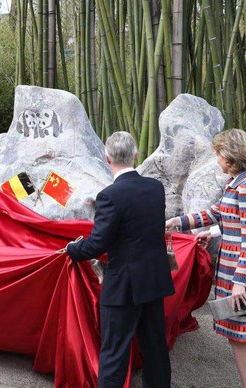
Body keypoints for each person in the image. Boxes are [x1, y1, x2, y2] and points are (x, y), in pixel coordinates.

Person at [66, 131, 174, 388]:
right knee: (156, 350)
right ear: (136, 156)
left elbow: (98, 243)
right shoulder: (156, 188)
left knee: (114, 353)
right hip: (154, 281)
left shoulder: (110, 196)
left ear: (107, 158)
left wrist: (73, 249)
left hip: (123, 286)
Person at [166, 129, 246, 388]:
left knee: (241, 336)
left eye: (219, 155)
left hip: (241, 276)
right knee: (239, 336)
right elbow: (215, 213)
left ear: (230, 157)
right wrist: (178, 223)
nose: (217, 160)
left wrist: (240, 282)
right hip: (234, 272)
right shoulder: (237, 183)